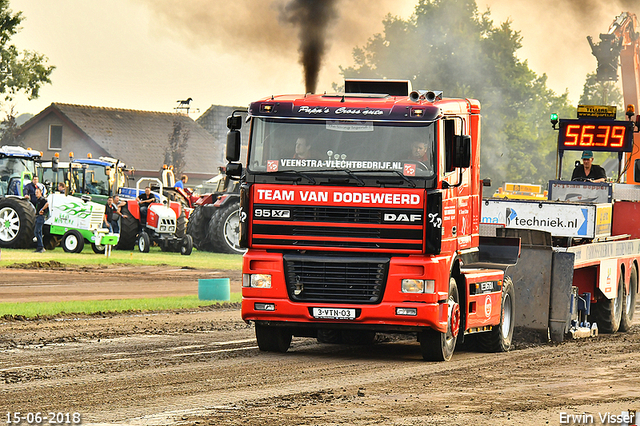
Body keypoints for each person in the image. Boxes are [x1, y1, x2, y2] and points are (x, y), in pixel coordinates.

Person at [32, 187, 49, 253]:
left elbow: (47, 204)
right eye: (35, 192)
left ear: (41, 193)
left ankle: (40, 246)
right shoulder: (38, 200)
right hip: (38, 216)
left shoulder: (42, 199)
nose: (36, 194)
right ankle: (40, 247)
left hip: (41, 217)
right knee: (39, 232)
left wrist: (42, 210)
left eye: (37, 192)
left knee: (36, 232)